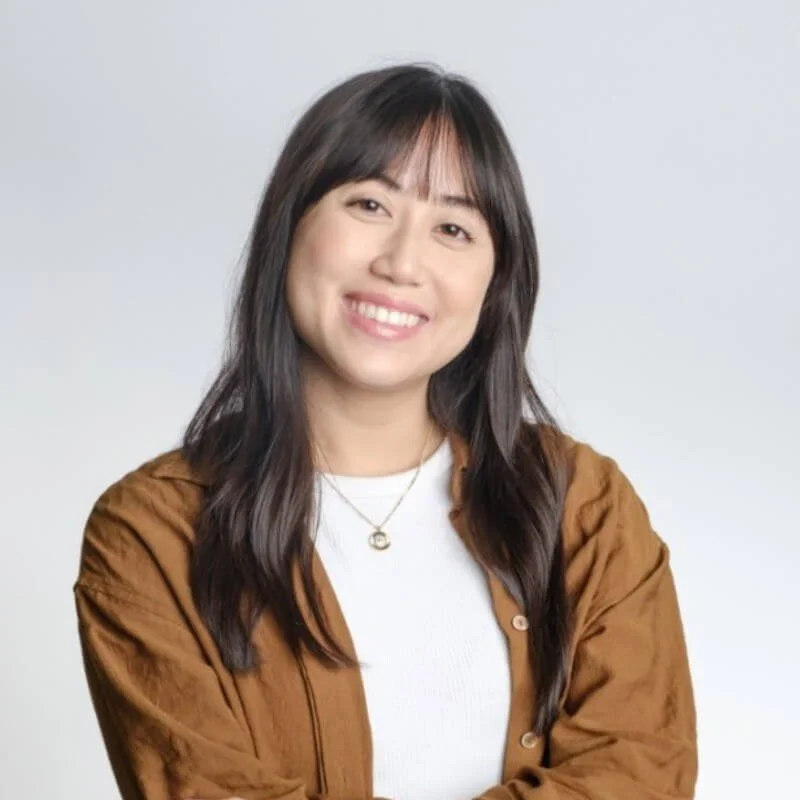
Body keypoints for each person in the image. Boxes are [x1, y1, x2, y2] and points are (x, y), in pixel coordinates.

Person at [73, 63, 698, 800]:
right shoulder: (153, 533)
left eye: (453, 228)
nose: (402, 262)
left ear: (495, 284)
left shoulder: (582, 506)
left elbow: (642, 772)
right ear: (289, 227)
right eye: (369, 203)